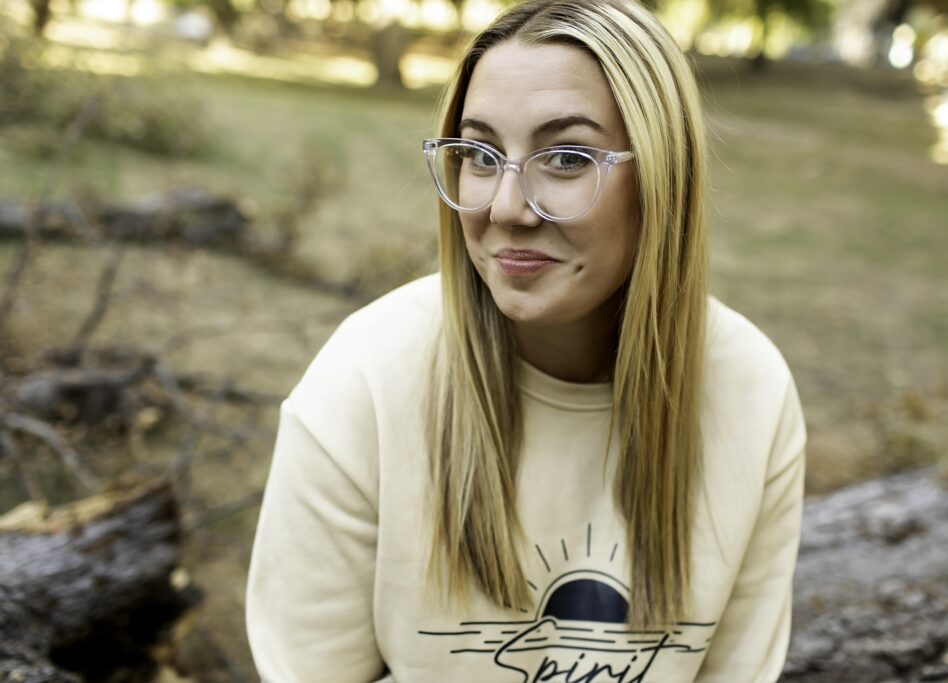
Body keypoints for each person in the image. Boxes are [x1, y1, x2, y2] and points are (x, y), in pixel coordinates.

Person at [245, 0, 806, 681]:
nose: (505, 207)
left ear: (664, 176)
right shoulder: (363, 383)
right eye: (480, 154)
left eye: (566, 157)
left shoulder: (751, 392)